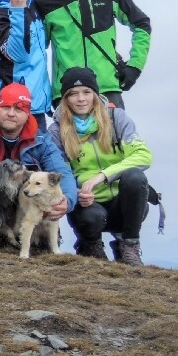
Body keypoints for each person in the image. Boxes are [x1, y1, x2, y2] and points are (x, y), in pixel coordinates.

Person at [0, 82, 77, 249]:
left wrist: (67, 200)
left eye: (18, 109)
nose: (11, 113)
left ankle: (42, 243)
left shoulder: (41, 140)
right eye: (6, 107)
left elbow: (61, 171)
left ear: (28, 114)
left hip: (22, 202)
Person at [34, 0, 152, 108]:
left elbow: (141, 24)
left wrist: (135, 66)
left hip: (106, 89)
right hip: (67, 92)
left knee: (118, 136)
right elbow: (36, 48)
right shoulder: (44, 3)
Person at [49, 67, 153, 264]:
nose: (81, 99)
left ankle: (129, 246)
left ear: (96, 95)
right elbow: (59, 173)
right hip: (88, 205)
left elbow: (143, 155)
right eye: (73, 94)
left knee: (135, 177)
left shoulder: (117, 118)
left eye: (87, 92)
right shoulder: (56, 130)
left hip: (121, 204)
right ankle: (90, 244)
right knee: (90, 217)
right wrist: (76, 192)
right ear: (65, 99)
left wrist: (102, 176)